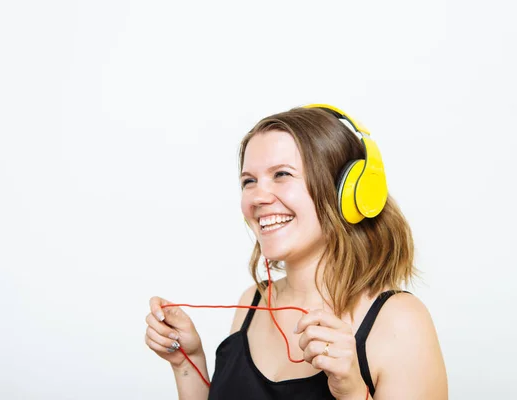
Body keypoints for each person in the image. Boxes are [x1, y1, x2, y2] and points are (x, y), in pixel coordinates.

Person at [144, 104, 448, 399]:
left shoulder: (400, 321)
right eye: (249, 181)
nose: (258, 197)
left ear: (348, 192)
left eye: (282, 175)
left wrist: (353, 392)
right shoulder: (251, 303)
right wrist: (187, 362)